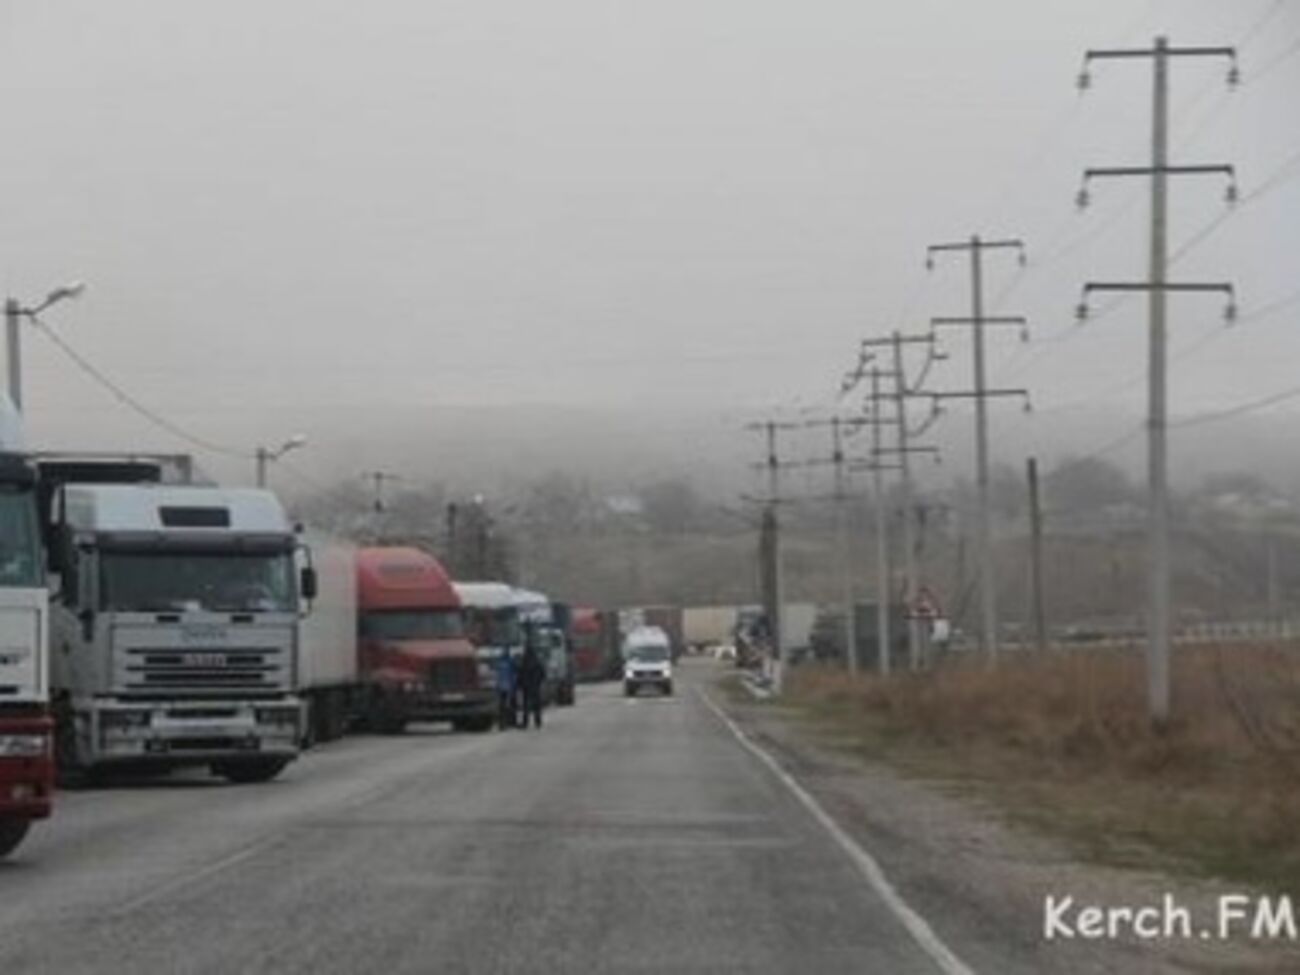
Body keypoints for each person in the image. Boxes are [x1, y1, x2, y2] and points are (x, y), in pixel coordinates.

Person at [517, 644, 546, 730]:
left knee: (526, 706)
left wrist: (520, 685)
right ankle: (538, 722)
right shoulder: (537, 662)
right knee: (537, 705)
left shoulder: (524, 663)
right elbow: (542, 674)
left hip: (526, 687)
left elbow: (520, 675)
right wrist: (538, 683)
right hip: (535, 687)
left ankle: (525, 723)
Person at [495, 651, 517, 730]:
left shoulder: (499, 665)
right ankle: (509, 722)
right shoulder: (510, 664)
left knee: (502, 706)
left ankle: (502, 724)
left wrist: (497, 687)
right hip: (509, 687)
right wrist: (514, 687)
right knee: (509, 706)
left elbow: (497, 677)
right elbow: (513, 676)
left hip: (501, 688)